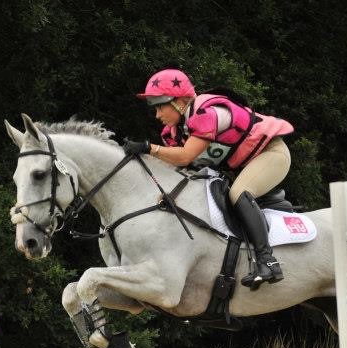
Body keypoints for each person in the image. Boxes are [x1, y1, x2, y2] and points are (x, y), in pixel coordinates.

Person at [126, 69, 294, 289]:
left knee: (239, 193)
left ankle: (267, 261)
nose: (157, 115)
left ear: (180, 102)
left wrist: (149, 148)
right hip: (244, 166)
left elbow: (185, 156)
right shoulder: (174, 132)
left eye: (160, 107)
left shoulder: (207, 113)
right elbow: (177, 166)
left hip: (271, 154)